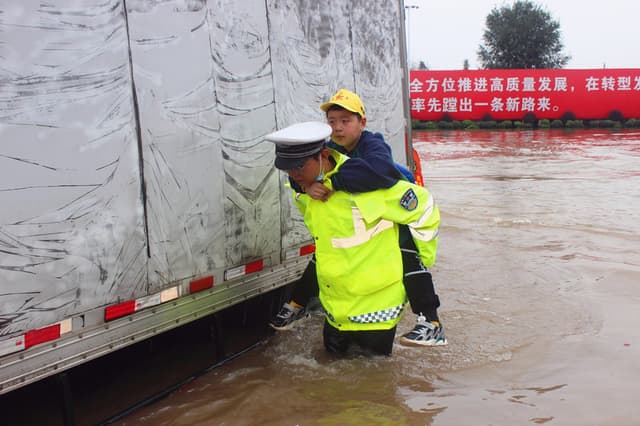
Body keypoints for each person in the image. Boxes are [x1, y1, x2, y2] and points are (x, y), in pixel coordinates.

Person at [270, 89, 446, 346]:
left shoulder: (373, 145)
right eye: (332, 122)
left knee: (409, 257)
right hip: (361, 217)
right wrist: (306, 186)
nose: (338, 128)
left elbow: (378, 171)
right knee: (323, 253)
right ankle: (297, 304)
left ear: (362, 123)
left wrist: (334, 182)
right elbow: (301, 171)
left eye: (345, 121)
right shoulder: (327, 149)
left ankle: (431, 321)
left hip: (394, 213)